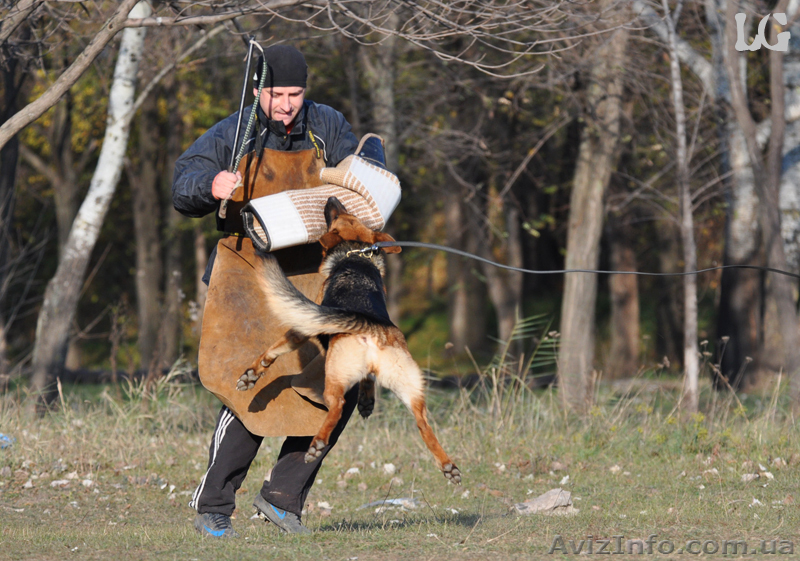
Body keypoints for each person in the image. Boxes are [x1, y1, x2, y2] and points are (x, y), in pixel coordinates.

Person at [172, 44, 376, 537]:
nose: (285, 104)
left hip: (317, 273)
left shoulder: (327, 125)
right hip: (249, 278)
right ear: (259, 89)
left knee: (342, 386)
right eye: (275, 93)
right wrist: (212, 186)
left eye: (295, 93)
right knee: (252, 393)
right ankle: (214, 505)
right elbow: (183, 184)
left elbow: (361, 180)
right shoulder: (234, 131)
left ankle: (283, 497)